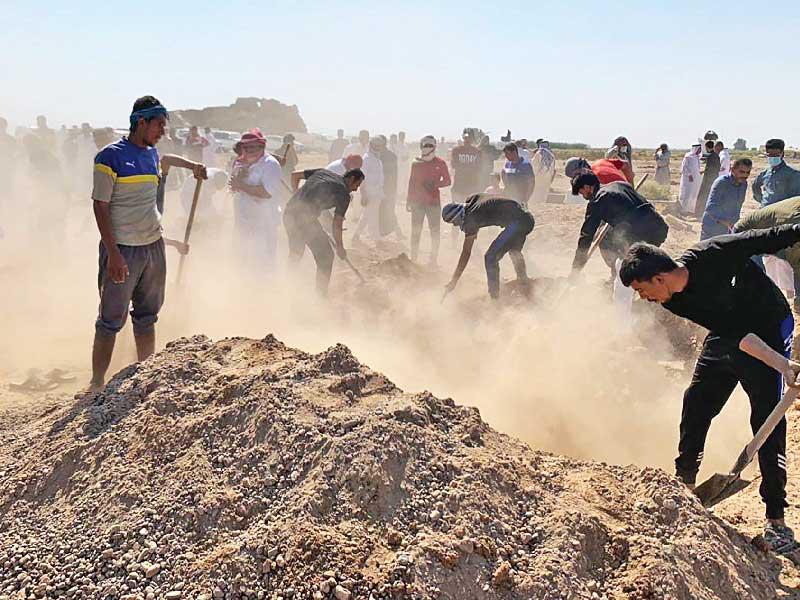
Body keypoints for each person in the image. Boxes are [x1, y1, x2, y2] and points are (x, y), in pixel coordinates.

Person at [619, 228, 800, 555]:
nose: (642, 298)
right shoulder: (674, 301)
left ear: (659, 278)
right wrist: (782, 365)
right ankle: (685, 485)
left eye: (641, 290)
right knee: (696, 403)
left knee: (767, 421)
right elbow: (735, 333)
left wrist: (783, 365)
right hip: (731, 333)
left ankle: (776, 520)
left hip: (771, 325)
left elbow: (768, 238)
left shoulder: (713, 253)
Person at [89, 96, 207, 390]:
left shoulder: (152, 154)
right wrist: (113, 254)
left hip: (153, 245)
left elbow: (166, 160)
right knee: (110, 320)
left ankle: (144, 375)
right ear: (141, 122)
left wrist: (192, 165)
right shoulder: (110, 157)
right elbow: (100, 205)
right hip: (123, 249)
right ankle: (97, 382)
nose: (163, 132)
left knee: (147, 316)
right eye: (159, 126)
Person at [570, 172, 668, 317]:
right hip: (659, 229)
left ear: (587, 187)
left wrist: (576, 268)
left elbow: (586, 236)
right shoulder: (620, 185)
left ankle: (621, 323)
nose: (583, 196)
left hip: (639, 235)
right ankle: (652, 295)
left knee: (623, 276)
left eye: (581, 192)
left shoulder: (597, 202)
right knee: (641, 265)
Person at [283, 168, 365, 295]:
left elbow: (295, 176)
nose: (355, 189)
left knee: (296, 253)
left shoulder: (323, 172)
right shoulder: (344, 194)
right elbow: (337, 224)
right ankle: (321, 295)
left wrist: (297, 196)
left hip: (289, 214)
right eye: (357, 185)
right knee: (326, 256)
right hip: (305, 221)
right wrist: (340, 247)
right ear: (351, 179)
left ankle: (285, 285)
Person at [441, 194, 534, 299]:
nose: (455, 225)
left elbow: (466, 253)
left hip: (519, 222)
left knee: (490, 257)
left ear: (457, 216)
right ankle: (524, 282)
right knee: (514, 252)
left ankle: (494, 298)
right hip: (525, 216)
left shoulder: (470, 218)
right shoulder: (471, 200)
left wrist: (454, 281)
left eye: (454, 222)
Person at [228, 129, 284, 270]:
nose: (249, 150)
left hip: (264, 221)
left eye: (253, 147)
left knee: (262, 260)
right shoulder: (239, 162)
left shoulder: (270, 164)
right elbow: (234, 186)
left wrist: (240, 185)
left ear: (262, 146)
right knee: (241, 258)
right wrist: (235, 184)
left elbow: (266, 193)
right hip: (243, 219)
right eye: (246, 147)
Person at [734, 196, 800, 303]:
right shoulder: (795, 222)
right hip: (745, 235)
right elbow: (796, 264)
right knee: (753, 282)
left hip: (770, 233)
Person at [406, 135, 451, 264]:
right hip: (417, 203)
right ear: (421, 146)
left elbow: (447, 181)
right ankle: (413, 258)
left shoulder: (440, 163)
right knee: (416, 231)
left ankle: (433, 260)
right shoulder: (416, 163)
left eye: (430, 145)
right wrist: (409, 200)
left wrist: (435, 184)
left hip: (433, 202)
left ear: (434, 147)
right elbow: (411, 182)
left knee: (434, 232)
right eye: (425, 145)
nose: (427, 148)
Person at [700, 158, 752, 240]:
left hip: (730, 228)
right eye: (742, 172)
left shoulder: (743, 184)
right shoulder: (722, 182)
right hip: (713, 226)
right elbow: (711, 207)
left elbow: (738, 206)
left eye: (748, 172)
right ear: (732, 170)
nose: (745, 175)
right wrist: (726, 222)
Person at [352, 137, 384, 243]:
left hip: (377, 192)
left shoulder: (377, 158)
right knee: (373, 216)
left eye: (379, 145)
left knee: (366, 215)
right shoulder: (366, 159)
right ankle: (376, 238)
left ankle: (356, 235)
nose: (378, 147)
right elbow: (362, 177)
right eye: (376, 145)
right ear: (371, 145)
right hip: (369, 192)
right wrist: (364, 194)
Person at [753, 139, 800, 207]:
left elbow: (796, 197)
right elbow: (755, 186)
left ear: (782, 154)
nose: (772, 157)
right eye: (770, 155)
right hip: (765, 210)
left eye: (775, 155)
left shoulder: (793, 174)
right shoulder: (765, 173)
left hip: (782, 211)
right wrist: (763, 200)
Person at [451, 129, 482, 204]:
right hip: (459, 183)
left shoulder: (477, 151)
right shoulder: (456, 150)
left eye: (469, 138)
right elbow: (453, 165)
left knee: (470, 206)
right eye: (465, 138)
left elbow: (479, 167)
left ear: (472, 139)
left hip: (472, 184)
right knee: (459, 206)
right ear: (463, 138)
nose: (467, 140)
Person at [695, 140, 720, 219]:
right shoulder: (716, 155)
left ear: (706, 147)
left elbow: (710, 169)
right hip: (714, 178)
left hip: (708, 180)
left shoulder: (711, 156)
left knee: (704, 195)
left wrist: (704, 172)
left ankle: (700, 213)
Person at [564, 156, 631, 186]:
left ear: (581, 170)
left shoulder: (594, 180)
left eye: (576, 176)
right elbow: (626, 164)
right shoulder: (601, 162)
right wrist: (630, 183)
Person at [679, 143, 702, 216]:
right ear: (695, 149)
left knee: (694, 194)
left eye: (700, 149)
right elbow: (683, 168)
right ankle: (683, 210)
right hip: (688, 180)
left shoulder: (697, 157)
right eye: (699, 149)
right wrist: (689, 175)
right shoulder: (688, 156)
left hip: (696, 179)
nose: (700, 151)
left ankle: (691, 210)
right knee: (687, 194)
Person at [530, 139, 556, 204]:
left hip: (540, 174)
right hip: (549, 175)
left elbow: (533, 163)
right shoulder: (551, 154)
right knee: (545, 189)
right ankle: (542, 201)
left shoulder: (539, 153)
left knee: (537, 189)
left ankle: (537, 201)